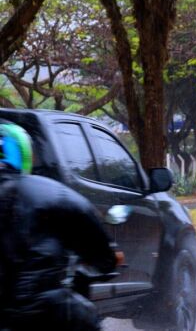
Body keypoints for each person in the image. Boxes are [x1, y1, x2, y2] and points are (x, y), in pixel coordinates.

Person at [0, 120, 117, 330]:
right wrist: (107, 260)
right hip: (33, 308)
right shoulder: (49, 192)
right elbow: (92, 234)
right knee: (87, 319)